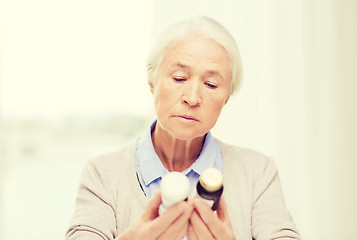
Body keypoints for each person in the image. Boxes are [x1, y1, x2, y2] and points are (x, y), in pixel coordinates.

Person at [65, 16, 301, 240]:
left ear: (226, 98)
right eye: (179, 78)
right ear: (152, 84)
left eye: (210, 84)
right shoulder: (102, 175)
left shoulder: (257, 174)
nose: (192, 97)